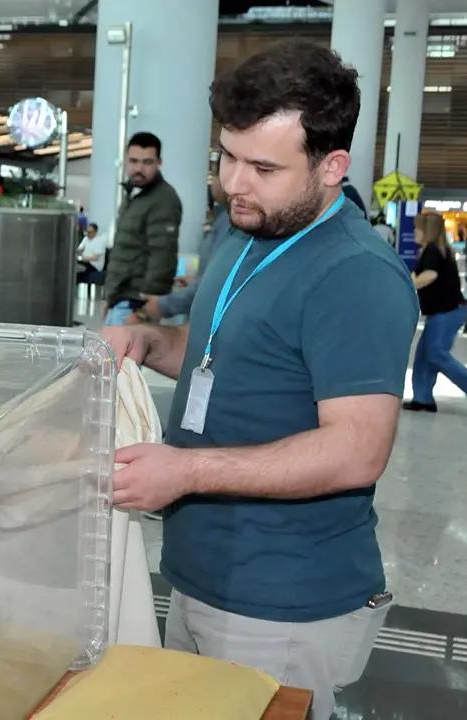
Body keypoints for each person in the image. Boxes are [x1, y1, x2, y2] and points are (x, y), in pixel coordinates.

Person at [102, 42, 418, 720]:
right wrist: (148, 342)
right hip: (202, 573)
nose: (234, 184)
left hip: (283, 604)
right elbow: (225, 354)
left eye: (264, 167)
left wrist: (186, 472)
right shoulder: (247, 229)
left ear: (332, 166)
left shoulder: (356, 275)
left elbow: (357, 450)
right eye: (226, 157)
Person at [404, 211, 467, 414]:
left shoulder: (433, 251)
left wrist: (409, 285)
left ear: (428, 230)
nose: (414, 232)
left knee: (435, 354)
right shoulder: (435, 249)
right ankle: (423, 399)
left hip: (448, 312)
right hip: (444, 311)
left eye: (418, 228)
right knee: (424, 355)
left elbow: (430, 275)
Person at [102, 131, 182, 326]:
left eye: (147, 162)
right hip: (120, 300)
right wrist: (108, 298)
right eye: (134, 161)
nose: (139, 168)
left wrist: (142, 312)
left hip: (135, 304)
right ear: (126, 160)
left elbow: (162, 259)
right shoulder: (133, 195)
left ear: (159, 163)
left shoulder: (164, 200)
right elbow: (123, 251)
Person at [138, 174, 230, 322]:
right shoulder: (223, 220)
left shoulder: (229, 224)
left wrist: (162, 306)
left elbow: (215, 283)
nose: (212, 183)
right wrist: (196, 280)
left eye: (216, 177)